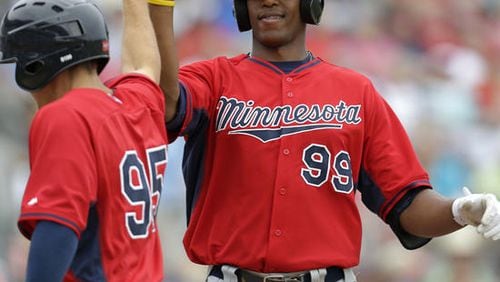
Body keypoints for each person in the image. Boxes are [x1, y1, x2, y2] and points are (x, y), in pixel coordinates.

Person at [150, 1, 500, 281]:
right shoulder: (213, 80)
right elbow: (166, 105)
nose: (268, 1)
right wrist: (159, 7)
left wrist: (457, 211)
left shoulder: (355, 92)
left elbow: (406, 203)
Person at [0, 0, 168, 281]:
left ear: (37, 66)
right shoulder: (140, 104)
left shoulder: (65, 116)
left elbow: (57, 228)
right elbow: (143, 64)